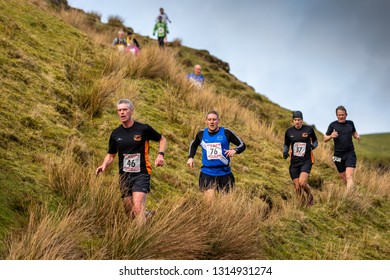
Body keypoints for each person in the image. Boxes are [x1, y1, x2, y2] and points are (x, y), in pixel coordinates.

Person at [95, 99, 167, 223]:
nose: (122, 113)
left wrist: (160, 155)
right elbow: (111, 155)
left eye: (125, 109)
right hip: (124, 176)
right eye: (119, 110)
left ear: (131, 111)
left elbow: (162, 139)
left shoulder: (143, 129)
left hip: (141, 173)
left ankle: (144, 240)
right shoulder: (115, 134)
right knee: (129, 212)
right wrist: (104, 165)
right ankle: (147, 217)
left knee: (138, 208)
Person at [187, 111, 246, 199]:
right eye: (209, 120)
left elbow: (242, 145)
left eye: (214, 119)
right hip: (208, 173)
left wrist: (235, 150)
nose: (212, 122)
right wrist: (190, 158)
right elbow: (193, 145)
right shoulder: (201, 134)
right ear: (206, 121)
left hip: (224, 173)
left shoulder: (226, 132)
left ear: (218, 120)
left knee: (226, 205)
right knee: (210, 203)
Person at [283, 111, 318, 207]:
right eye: (295, 120)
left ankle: (310, 196)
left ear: (302, 120)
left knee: (302, 183)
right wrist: (285, 152)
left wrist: (312, 146)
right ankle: (301, 204)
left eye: (299, 120)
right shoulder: (289, 132)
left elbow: (315, 141)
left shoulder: (309, 129)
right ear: (293, 121)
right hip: (294, 163)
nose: (297, 122)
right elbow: (286, 144)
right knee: (297, 187)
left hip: (306, 161)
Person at [324, 105, 361, 190]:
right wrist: (331, 136)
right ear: (336, 115)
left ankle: (349, 197)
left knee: (349, 176)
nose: (341, 117)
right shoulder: (332, 125)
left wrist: (357, 136)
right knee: (344, 179)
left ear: (346, 114)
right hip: (337, 155)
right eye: (339, 115)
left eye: (343, 115)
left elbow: (354, 132)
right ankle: (354, 192)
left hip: (349, 153)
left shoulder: (350, 123)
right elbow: (325, 139)